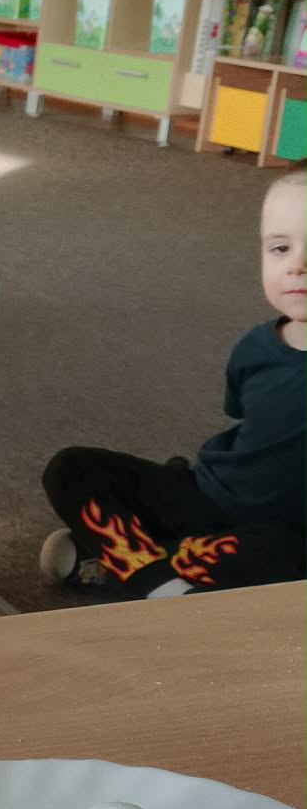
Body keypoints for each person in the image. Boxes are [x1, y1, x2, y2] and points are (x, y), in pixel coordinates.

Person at [39, 169, 307, 598]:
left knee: (283, 560)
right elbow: (250, 424)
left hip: (279, 535)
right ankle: (164, 584)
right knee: (70, 468)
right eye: (280, 249)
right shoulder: (255, 348)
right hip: (205, 497)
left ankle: (122, 567)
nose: (297, 266)